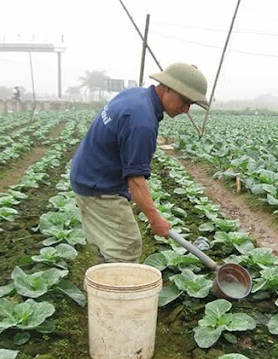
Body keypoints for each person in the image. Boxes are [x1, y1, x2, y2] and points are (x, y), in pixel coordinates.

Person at [70, 63, 209, 264]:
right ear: (168, 87)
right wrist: (155, 220)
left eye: (191, 104)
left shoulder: (136, 95)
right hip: (98, 187)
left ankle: (105, 278)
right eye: (185, 100)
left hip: (88, 175)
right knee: (126, 247)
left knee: (110, 245)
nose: (186, 109)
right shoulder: (141, 121)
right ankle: (115, 292)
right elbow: (136, 181)